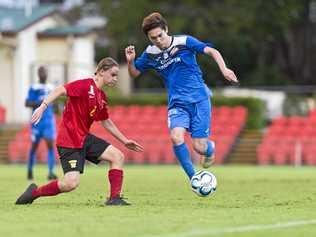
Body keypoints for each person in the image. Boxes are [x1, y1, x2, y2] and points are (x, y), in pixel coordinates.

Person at [125, 12, 238, 181]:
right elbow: (134, 73)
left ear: (166, 30)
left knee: (199, 147)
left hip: (199, 100)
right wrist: (130, 61)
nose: (158, 40)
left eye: (160, 35)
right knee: (175, 137)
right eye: (153, 38)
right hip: (177, 103)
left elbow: (212, 51)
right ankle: (194, 178)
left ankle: (209, 149)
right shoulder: (150, 53)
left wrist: (224, 69)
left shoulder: (184, 41)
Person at [16, 57, 144, 206]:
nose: (115, 79)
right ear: (102, 71)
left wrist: (124, 140)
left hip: (84, 138)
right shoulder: (84, 85)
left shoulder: (101, 97)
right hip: (69, 141)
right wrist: (43, 106)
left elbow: (106, 122)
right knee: (70, 183)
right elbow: (60, 90)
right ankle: (34, 193)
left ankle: (114, 198)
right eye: (113, 74)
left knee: (117, 156)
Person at [25, 66, 57, 180]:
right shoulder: (34, 87)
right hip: (37, 121)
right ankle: (29, 170)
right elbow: (27, 103)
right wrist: (39, 102)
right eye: (41, 72)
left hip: (48, 121)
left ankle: (51, 171)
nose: (43, 74)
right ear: (38, 74)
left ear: (47, 73)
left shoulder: (51, 87)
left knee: (50, 145)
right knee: (34, 146)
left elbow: (56, 103)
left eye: (44, 71)